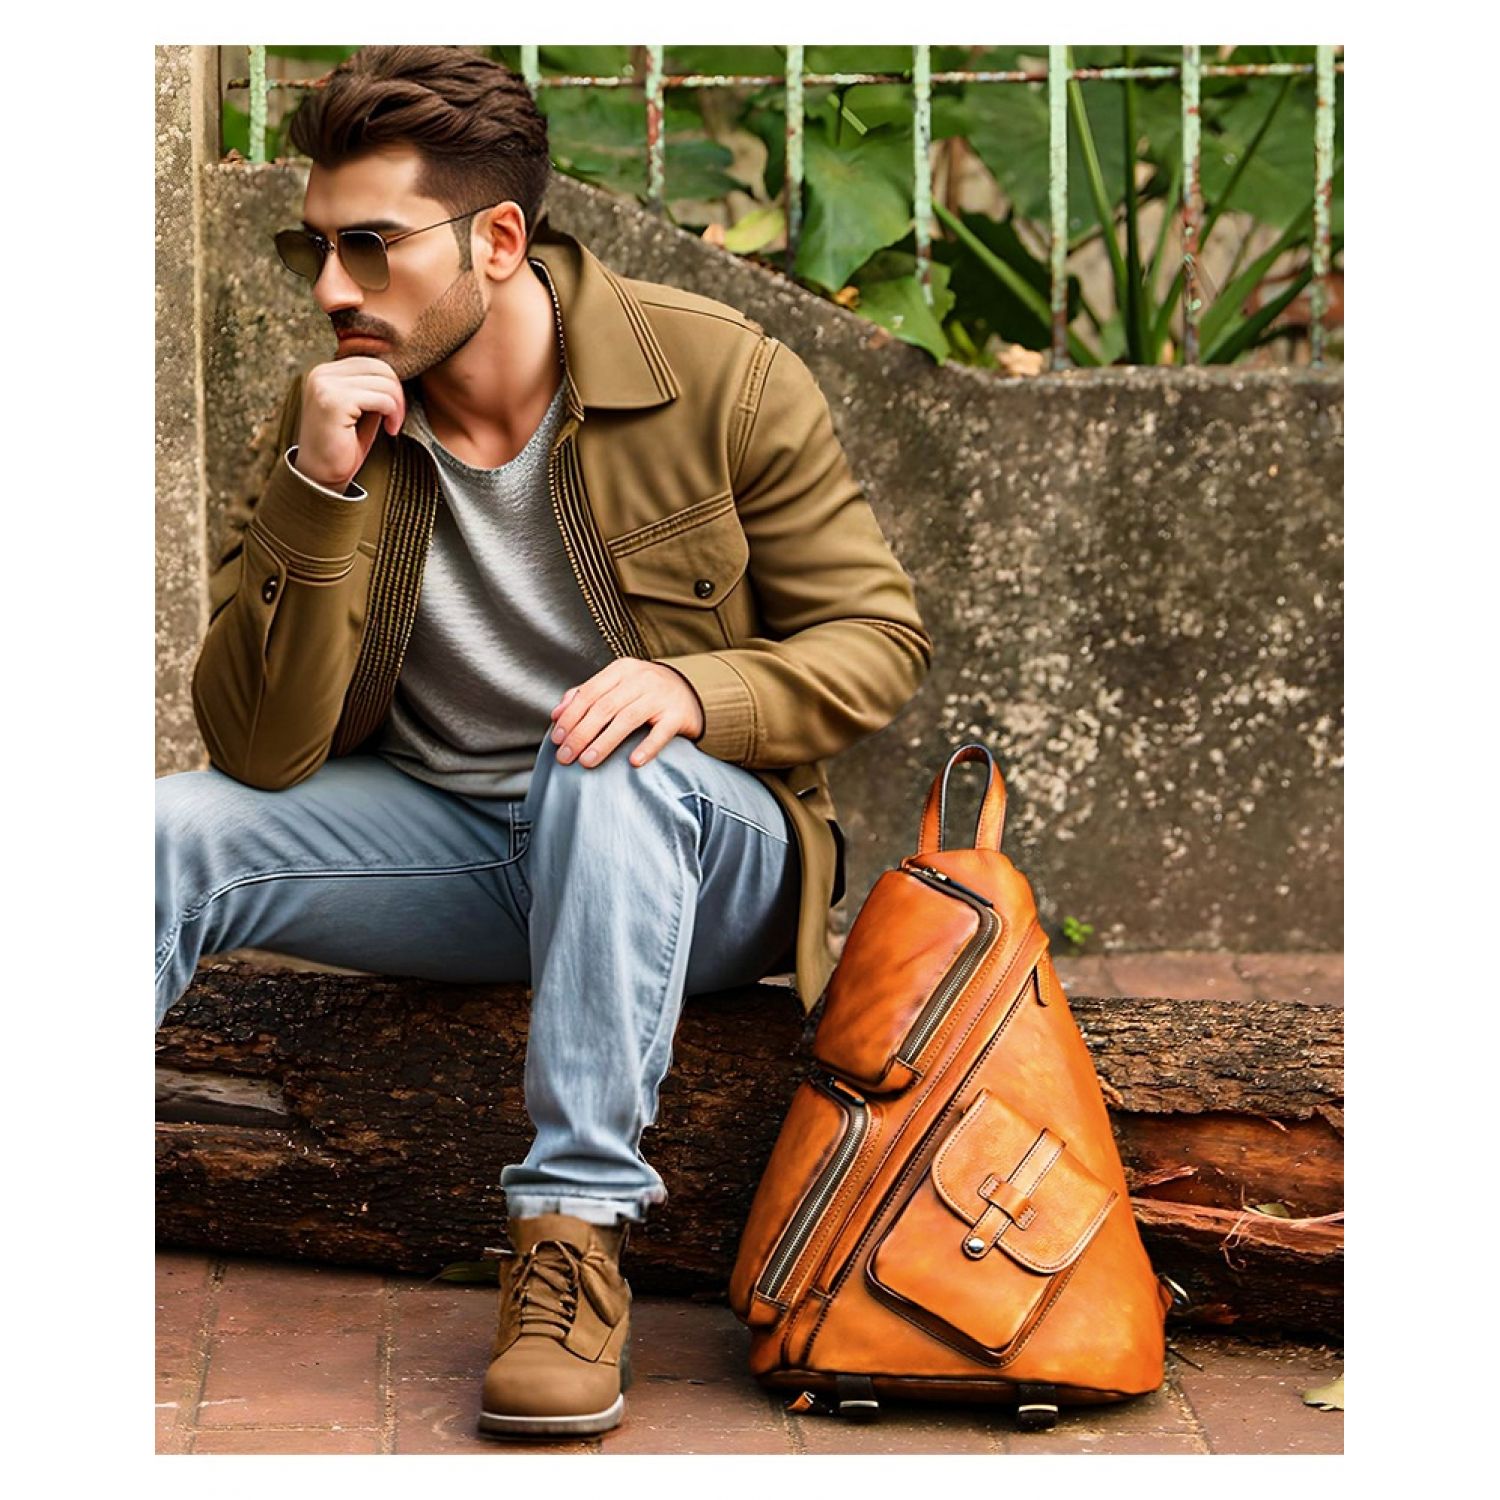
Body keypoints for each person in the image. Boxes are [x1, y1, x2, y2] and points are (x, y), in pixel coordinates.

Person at [155, 44, 933, 1440]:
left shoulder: (722, 377)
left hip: (701, 851)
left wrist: (695, 693)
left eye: (371, 246)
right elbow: (258, 750)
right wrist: (317, 492)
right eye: (316, 246)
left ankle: (571, 1240)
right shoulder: (338, 412)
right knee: (160, 832)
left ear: (499, 239)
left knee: (604, 764)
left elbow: (878, 640)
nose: (331, 288)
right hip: (455, 849)